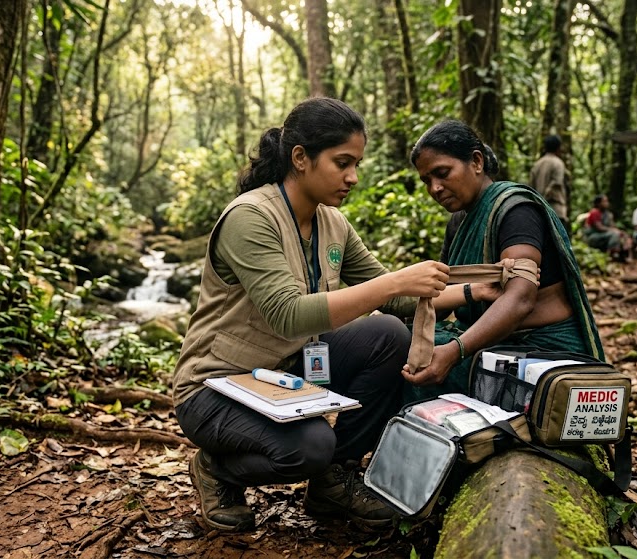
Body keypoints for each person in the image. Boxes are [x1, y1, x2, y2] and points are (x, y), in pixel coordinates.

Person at [171, 98, 451, 532]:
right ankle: (216, 469)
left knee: (388, 334)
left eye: (356, 163)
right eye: (342, 162)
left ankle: (330, 483)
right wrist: (395, 282)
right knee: (310, 446)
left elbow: (397, 300)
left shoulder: (333, 223)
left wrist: (477, 291)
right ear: (300, 158)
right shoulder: (251, 217)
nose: (353, 177)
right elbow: (288, 315)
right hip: (215, 387)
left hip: (283, 373)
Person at [401, 120, 605, 400]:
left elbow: (520, 299)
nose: (435, 188)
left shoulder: (515, 210)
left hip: (538, 347)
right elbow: (442, 291)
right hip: (485, 342)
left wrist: (454, 350)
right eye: (427, 180)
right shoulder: (458, 221)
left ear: (476, 162)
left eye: (442, 173)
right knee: (397, 342)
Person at [529, 134, 569, 230]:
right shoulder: (558, 163)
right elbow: (556, 183)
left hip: (539, 211)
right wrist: (544, 200)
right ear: (558, 148)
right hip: (555, 210)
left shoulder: (537, 164)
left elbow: (530, 186)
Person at [583, 194, 634, 262]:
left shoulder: (608, 214)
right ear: (598, 203)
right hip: (593, 236)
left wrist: (621, 233)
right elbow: (599, 227)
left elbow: (613, 226)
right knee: (614, 234)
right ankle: (611, 254)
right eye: (604, 201)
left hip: (605, 235)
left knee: (624, 235)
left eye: (607, 201)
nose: (607, 203)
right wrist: (614, 231)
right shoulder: (594, 212)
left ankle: (625, 255)